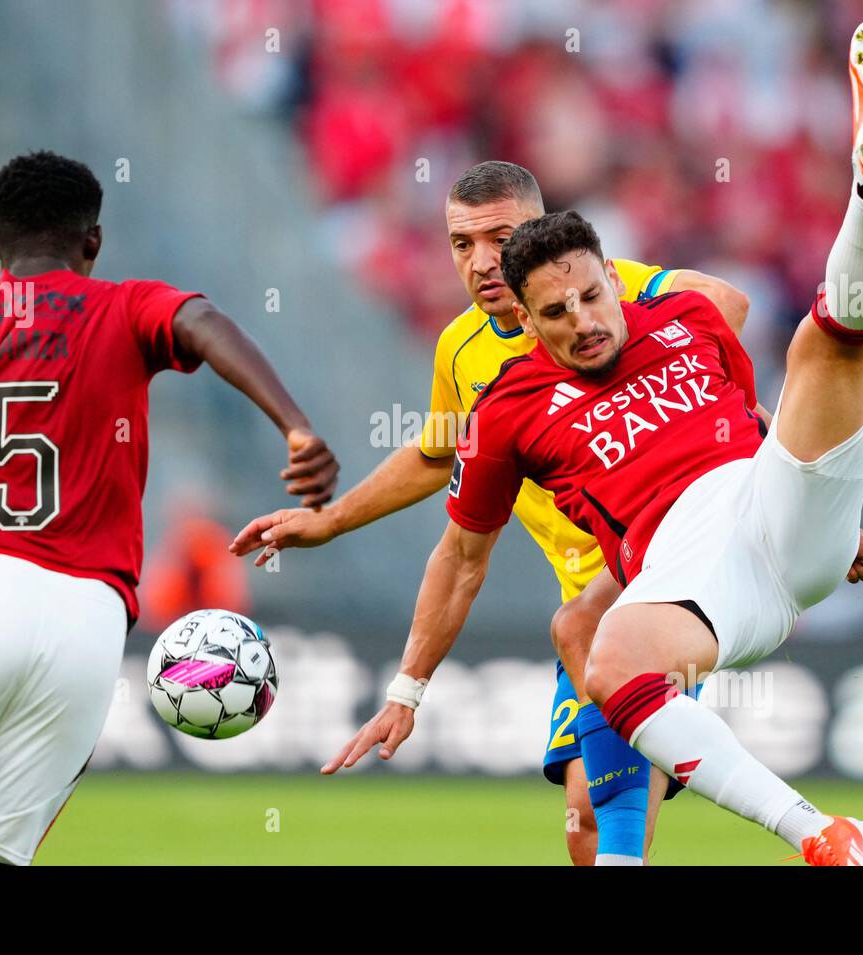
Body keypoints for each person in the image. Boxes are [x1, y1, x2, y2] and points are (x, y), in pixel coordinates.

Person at [323, 19, 863, 866]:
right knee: (600, 651)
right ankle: (821, 833)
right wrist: (408, 686)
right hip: (694, 575)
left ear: (613, 277)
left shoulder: (687, 313)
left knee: (830, 344)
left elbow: (756, 439)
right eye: (557, 314)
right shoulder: (504, 409)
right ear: (524, 318)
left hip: (782, 513)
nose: (586, 322)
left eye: (594, 297)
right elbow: (460, 553)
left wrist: (836, 519)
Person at [0, 150, 338, 866]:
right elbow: (205, 321)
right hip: (89, 627)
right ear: (92, 241)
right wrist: (294, 424)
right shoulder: (128, 306)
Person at [233, 159, 753, 865]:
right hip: (586, 598)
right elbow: (438, 461)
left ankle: (805, 826)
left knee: (596, 813)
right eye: (460, 244)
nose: (481, 263)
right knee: (585, 831)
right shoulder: (464, 351)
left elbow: (726, 302)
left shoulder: (595, 292)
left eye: (498, 239)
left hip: (666, 568)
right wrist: (332, 520)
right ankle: (805, 828)